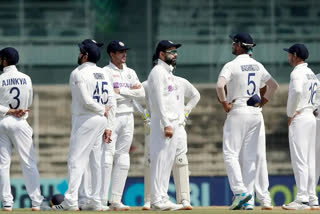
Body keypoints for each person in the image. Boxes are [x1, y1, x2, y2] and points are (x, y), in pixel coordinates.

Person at [216, 33, 278, 210]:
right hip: (255, 112)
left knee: (230, 153)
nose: (232, 45)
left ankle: (240, 191)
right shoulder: (258, 65)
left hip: (238, 109)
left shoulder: (231, 65)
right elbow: (274, 86)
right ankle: (248, 202)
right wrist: (262, 102)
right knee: (250, 158)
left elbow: (220, 86)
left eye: (234, 43)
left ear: (240, 45)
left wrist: (224, 104)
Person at [53, 39, 115, 211]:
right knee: (96, 161)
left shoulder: (78, 73)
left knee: (75, 160)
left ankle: (71, 201)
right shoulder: (104, 73)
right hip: (101, 120)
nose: (79, 54)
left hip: (86, 119)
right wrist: (108, 122)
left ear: (85, 55)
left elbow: (86, 101)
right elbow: (111, 100)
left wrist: (100, 109)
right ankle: (96, 201)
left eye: (80, 52)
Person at [136, 54, 200, 210]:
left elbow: (196, 95)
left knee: (179, 160)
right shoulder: (147, 83)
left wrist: (185, 112)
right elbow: (134, 98)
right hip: (157, 126)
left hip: (178, 126)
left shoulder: (180, 82)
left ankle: (184, 199)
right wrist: (145, 115)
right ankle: (149, 199)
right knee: (153, 161)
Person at [0, 47, 51, 212]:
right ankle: (36, 202)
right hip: (21, 121)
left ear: (5, 60)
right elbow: (28, 101)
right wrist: (18, 110)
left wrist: (8, 110)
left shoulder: (0, 79)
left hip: (2, 121)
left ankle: (7, 203)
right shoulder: (26, 78)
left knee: (3, 164)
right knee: (29, 163)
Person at [148, 40, 193, 211]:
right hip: (163, 123)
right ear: (161, 54)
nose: (175, 55)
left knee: (167, 162)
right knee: (159, 160)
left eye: (175, 52)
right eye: (171, 52)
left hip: (173, 123)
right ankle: (156, 200)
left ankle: (162, 197)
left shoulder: (169, 74)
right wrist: (166, 123)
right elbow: (159, 100)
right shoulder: (158, 72)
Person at [101, 40, 145, 211]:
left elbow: (141, 93)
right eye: (120, 52)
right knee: (107, 157)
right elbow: (109, 96)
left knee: (124, 158)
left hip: (128, 117)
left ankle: (115, 200)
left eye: (124, 51)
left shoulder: (130, 72)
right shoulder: (104, 72)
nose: (124, 54)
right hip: (112, 116)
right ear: (112, 54)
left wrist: (123, 92)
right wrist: (128, 94)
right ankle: (102, 199)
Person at [282, 44, 320, 210]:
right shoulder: (311, 73)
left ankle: (302, 198)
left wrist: (291, 113)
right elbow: (317, 96)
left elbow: (297, 91)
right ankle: (312, 197)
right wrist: (312, 109)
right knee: (310, 159)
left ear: (295, 55)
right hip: (311, 116)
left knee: (300, 159)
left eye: (289, 54)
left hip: (301, 118)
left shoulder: (297, 72)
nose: (288, 57)